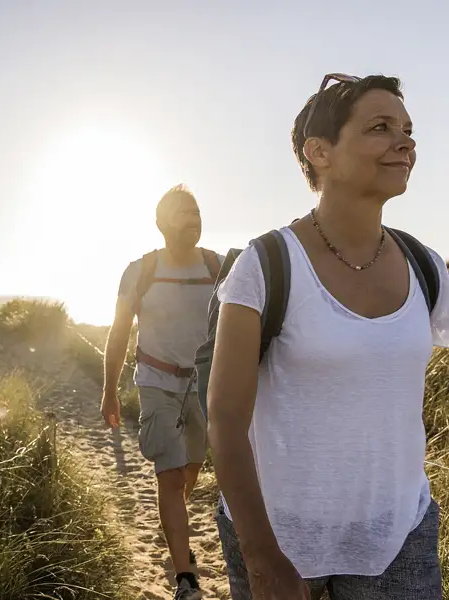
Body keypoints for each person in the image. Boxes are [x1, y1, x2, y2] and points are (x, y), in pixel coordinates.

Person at [207, 73, 448, 599]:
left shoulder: (426, 266)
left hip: (398, 535)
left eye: (408, 129)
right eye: (380, 127)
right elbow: (225, 420)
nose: (404, 141)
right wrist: (262, 558)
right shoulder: (266, 264)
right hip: (280, 534)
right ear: (320, 152)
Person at [101, 184, 223, 600]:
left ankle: (174, 523)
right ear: (161, 224)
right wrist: (109, 390)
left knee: (189, 471)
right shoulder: (140, 270)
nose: (194, 220)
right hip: (155, 382)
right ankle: (186, 578)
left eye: (197, 212)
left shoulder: (218, 267)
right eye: (183, 213)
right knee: (169, 475)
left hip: (202, 387)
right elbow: (119, 333)